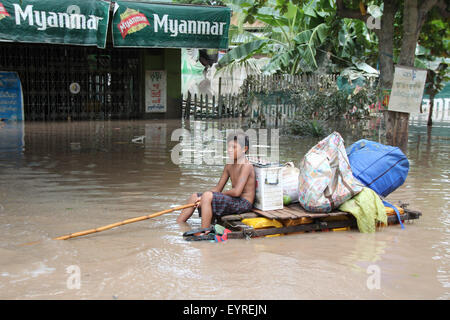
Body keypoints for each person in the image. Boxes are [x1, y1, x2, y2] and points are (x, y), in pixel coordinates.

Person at [176, 132, 255, 234]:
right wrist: (203, 197)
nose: (229, 150)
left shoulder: (246, 165)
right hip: (234, 200)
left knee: (208, 196)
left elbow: (237, 192)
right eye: (229, 147)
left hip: (243, 203)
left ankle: (204, 232)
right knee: (194, 196)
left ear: (244, 149)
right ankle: (178, 225)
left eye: (234, 147)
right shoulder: (229, 165)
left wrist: (209, 196)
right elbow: (218, 188)